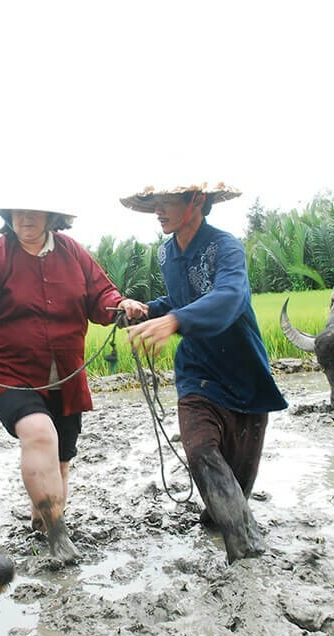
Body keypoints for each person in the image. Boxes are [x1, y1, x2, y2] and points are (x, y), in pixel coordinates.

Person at [0, 205, 147, 563]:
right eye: (18, 213)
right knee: (39, 434)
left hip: (65, 375)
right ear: (8, 218)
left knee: (61, 459)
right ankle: (58, 534)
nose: (25, 220)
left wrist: (121, 305)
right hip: (10, 371)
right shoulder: (0, 254)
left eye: (35, 214)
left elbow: (102, 295)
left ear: (52, 219)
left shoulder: (72, 253)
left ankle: (44, 519)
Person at [120, 182, 288, 563]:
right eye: (154, 204)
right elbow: (181, 300)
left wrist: (176, 320)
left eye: (166, 202)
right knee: (200, 450)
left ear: (196, 200)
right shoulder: (166, 253)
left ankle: (220, 520)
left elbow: (229, 297)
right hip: (197, 372)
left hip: (242, 373)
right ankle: (247, 554)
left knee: (236, 487)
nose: (158, 211)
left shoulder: (225, 247)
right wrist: (150, 311)